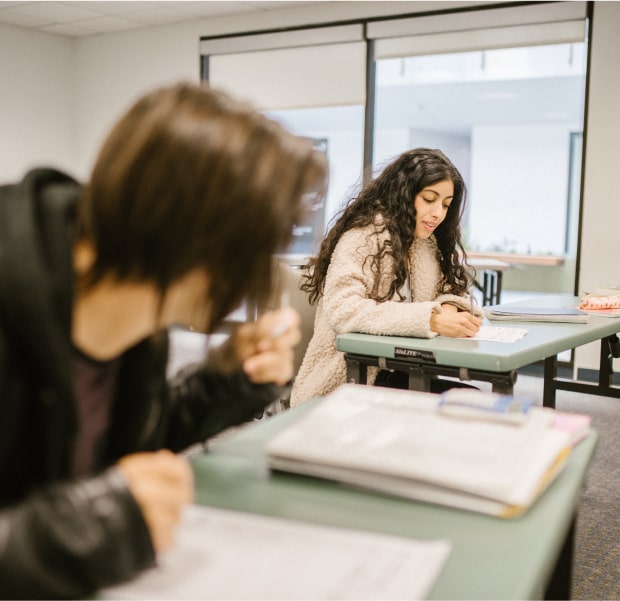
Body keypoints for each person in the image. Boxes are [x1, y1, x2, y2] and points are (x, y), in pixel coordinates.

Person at [0, 82, 327, 598]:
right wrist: (79, 534)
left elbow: (129, 439)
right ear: (198, 241)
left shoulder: (136, 320)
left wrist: (228, 382)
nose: (250, 280)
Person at [290, 147, 483, 407]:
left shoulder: (425, 244)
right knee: (469, 404)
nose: (438, 212)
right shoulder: (363, 236)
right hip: (350, 379)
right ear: (405, 193)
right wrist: (432, 320)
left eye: (446, 204)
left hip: (403, 371)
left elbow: (456, 291)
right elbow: (344, 309)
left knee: (472, 403)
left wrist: (449, 307)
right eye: (429, 198)